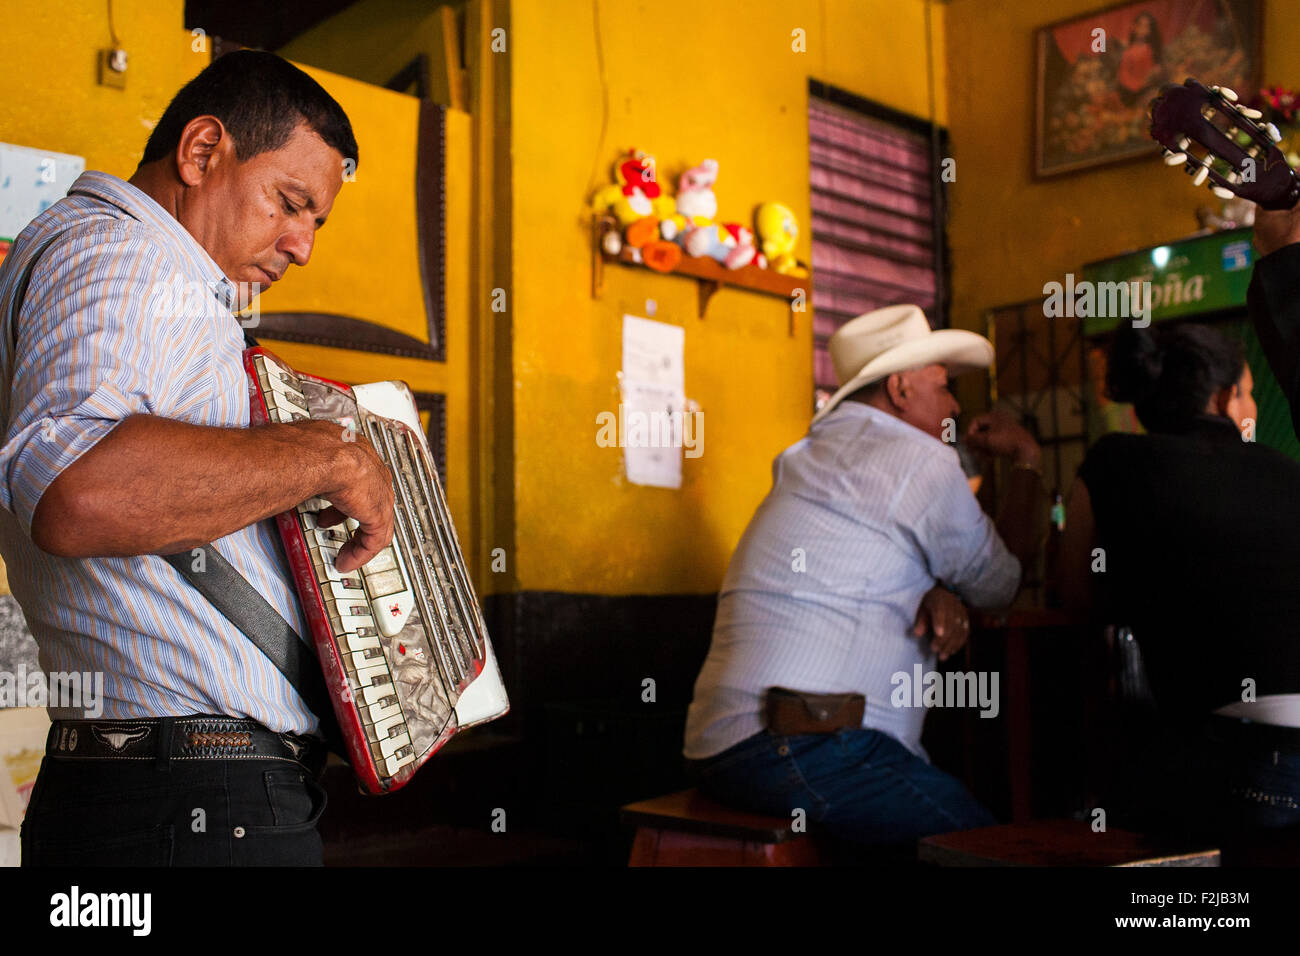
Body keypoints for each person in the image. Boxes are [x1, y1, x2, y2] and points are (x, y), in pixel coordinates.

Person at [0, 51, 396, 866]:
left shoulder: (167, 285)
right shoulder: (125, 256)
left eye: (317, 222)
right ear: (203, 151)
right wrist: (327, 457)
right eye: (291, 204)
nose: (302, 245)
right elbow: (78, 491)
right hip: (190, 801)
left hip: (179, 794)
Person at [683, 304, 1044, 851]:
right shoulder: (919, 460)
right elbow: (999, 585)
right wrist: (1025, 457)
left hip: (721, 747)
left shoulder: (809, 456)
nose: (954, 406)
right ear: (899, 389)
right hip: (805, 747)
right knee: (987, 852)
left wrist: (933, 587)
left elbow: (865, 554)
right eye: (944, 387)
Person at [1058, 322, 1300, 860]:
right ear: (1223, 398)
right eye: (1249, 392)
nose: (1253, 406)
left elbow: (1074, 596)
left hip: (1235, 754)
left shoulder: (1111, 462)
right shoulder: (1287, 473)